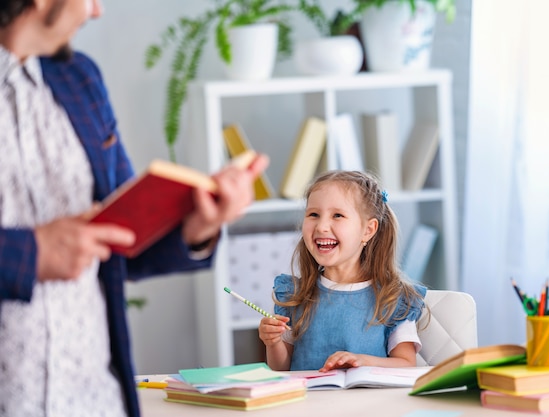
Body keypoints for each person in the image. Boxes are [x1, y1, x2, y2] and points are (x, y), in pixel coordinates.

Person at [0, 1, 269, 416]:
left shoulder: (79, 79)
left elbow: (123, 238)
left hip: (97, 401)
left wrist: (196, 224)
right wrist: (31, 254)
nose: (96, 11)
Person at [258, 170, 428, 372]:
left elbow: (406, 364)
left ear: (368, 230)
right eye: (313, 214)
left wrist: (362, 361)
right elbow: (281, 369)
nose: (321, 226)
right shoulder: (294, 295)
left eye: (337, 215)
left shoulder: (393, 299)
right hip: (309, 402)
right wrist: (273, 342)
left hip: (367, 403)